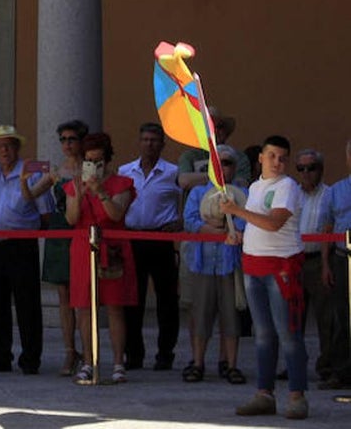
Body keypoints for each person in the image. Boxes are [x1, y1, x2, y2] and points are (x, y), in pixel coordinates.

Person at [220, 135, 309, 419]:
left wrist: (236, 211)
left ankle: (297, 396)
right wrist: (240, 235)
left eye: (282, 158)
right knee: (262, 335)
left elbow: (273, 223)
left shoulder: (287, 186)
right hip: (254, 266)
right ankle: (264, 394)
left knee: (289, 334)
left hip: (281, 267)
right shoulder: (256, 187)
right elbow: (259, 224)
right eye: (271, 156)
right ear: (260, 157)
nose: (277, 162)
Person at [0, 124, 51, 375]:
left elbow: (46, 214)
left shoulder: (33, 175)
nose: (4, 150)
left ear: (17, 148)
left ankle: (30, 358)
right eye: (0, 146)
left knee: (27, 304)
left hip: (21, 246)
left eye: (8, 145)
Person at [65, 132, 136, 385]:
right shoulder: (74, 185)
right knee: (84, 308)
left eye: (98, 161)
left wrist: (101, 192)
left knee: (115, 307)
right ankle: (88, 361)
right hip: (82, 248)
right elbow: (71, 219)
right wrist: (80, 194)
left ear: (107, 161)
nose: (93, 165)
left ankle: (118, 363)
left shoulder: (122, 183)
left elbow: (116, 214)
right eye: (89, 160)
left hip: (113, 248)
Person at [25, 119, 88, 376]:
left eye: (71, 139)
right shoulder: (56, 172)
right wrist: (24, 179)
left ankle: (88, 351)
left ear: (81, 141)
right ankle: (70, 351)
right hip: (60, 230)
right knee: (63, 295)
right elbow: (30, 196)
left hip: (82, 228)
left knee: (83, 295)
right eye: (63, 139)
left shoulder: (90, 169)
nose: (67, 144)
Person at [120, 122, 184, 371]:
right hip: (133, 238)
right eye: (145, 140)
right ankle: (133, 354)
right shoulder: (126, 171)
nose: (149, 144)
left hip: (161, 239)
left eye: (154, 140)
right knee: (132, 300)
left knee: (167, 300)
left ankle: (165, 353)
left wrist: (180, 221)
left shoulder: (173, 172)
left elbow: (185, 200)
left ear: (162, 144)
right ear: (139, 142)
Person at [182, 144, 247, 385]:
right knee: (201, 314)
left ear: (234, 167)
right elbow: (189, 220)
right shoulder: (198, 193)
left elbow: (247, 221)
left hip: (230, 264)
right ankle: (198, 363)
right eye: (218, 163)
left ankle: (231, 364)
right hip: (203, 263)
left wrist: (229, 228)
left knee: (231, 316)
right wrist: (209, 229)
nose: (222, 168)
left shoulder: (244, 193)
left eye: (227, 163)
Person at [294, 149, 334, 382]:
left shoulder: (329, 195)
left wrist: (327, 265)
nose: (306, 173)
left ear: (321, 169)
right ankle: (295, 365)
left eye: (311, 168)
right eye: (301, 168)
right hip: (295, 259)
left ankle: (326, 365)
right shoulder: (292, 195)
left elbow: (330, 229)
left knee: (325, 317)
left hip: (319, 260)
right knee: (293, 318)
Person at [318, 139, 351, 390]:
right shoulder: (335, 191)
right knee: (342, 317)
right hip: (342, 259)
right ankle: (341, 372)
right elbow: (326, 229)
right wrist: (325, 265)